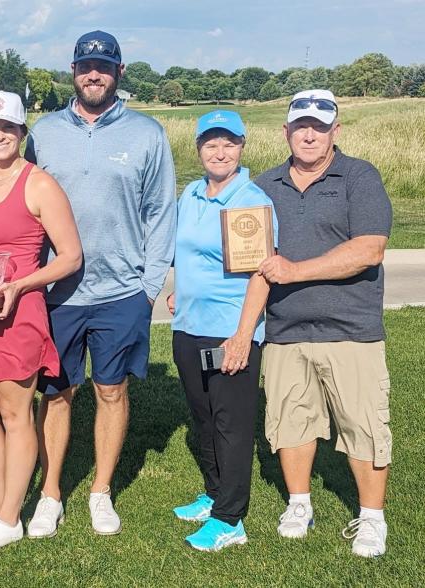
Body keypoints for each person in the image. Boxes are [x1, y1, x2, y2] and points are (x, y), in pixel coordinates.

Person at [24, 30, 176, 538]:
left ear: (119, 71)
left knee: (111, 390)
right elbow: (23, 209)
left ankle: (101, 490)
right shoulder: (42, 133)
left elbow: (160, 213)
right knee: (57, 392)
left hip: (121, 292)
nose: (95, 74)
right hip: (56, 294)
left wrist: (149, 286)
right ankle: (50, 493)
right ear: (73, 71)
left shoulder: (147, 133)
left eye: (104, 67)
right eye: (86, 66)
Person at [254, 90, 393, 558]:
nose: (309, 133)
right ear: (286, 131)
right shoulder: (264, 184)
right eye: (300, 126)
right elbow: (240, 252)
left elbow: (369, 248)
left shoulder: (358, 176)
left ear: (336, 130)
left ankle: (372, 518)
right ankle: (299, 504)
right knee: (291, 420)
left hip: (350, 327)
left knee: (363, 425)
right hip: (286, 329)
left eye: (319, 125)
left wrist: (295, 270)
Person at [0, 91, 82, 552]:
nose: (0, 135)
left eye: (9, 128)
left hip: (18, 312)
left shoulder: (39, 184)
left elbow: (70, 257)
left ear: (22, 133)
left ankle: (10, 518)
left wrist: (21, 285)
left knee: (15, 413)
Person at [166, 110, 277, 551]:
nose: (219, 152)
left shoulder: (250, 202)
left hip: (228, 331)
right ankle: (213, 494)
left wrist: (242, 335)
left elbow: (261, 274)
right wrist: (179, 290)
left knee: (231, 422)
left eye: (228, 143)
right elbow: (186, 251)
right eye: (211, 144)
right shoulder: (191, 193)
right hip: (188, 327)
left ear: (242, 146)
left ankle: (231, 519)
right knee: (204, 416)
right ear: (198, 149)